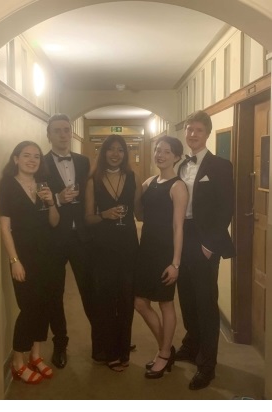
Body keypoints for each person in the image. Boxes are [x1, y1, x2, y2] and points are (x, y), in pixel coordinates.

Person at [176, 110, 235, 390]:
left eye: (198, 130)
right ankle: (192, 344)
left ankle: (207, 365)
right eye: (189, 129)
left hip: (204, 241)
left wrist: (210, 244)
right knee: (186, 297)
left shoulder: (221, 166)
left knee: (206, 302)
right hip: (181, 237)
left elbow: (226, 209)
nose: (192, 134)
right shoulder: (179, 165)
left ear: (208, 133)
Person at [0, 141, 60, 384]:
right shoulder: (7, 185)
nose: (32, 160)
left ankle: (36, 355)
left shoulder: (44, 185)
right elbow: (5, 228)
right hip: (23, 257)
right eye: (26, 155)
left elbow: (54, 222)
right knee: (28, 309)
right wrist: (14, 260)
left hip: (47, 255)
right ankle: (17, 362)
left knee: (44, 305)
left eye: (36, 156)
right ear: (16, 159)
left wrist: (51, 202)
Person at [85, 134, 143, 372]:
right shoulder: (93, 180)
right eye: (111, 149)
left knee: (127, 299)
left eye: (120, 150)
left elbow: (139, 212)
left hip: (128, 244)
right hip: (102, 248)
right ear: (103, 152)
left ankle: (123, 348)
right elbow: (88, 218)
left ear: (125, 154)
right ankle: (109, 351)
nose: (115, 154)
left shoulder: (133, 178)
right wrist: (104, 215)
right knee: (106, 300)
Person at [134, 136, 188, 379]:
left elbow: (178, 227)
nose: (160, 155)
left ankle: (164, 353)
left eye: (166, 151)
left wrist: (175, 263)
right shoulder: (148, 182)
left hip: (166, 252)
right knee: (140, 302)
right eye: (158, 150)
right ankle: (166, 348)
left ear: (176, 157)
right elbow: (138, 212)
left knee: (165, 303)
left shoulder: (178, 186)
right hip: (145, 250)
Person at [44, 113, 93, 369]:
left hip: (82, 237)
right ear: (49, 135)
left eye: (66, 130)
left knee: (90, 288)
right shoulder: (39, 164)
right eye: (58, 130)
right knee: (54, 293)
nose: (63, 134)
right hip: (53, 237)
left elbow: (92, 195)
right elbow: (33, 201)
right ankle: (60, 344)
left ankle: (102, 340)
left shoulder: (84, 162)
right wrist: (58, 198)